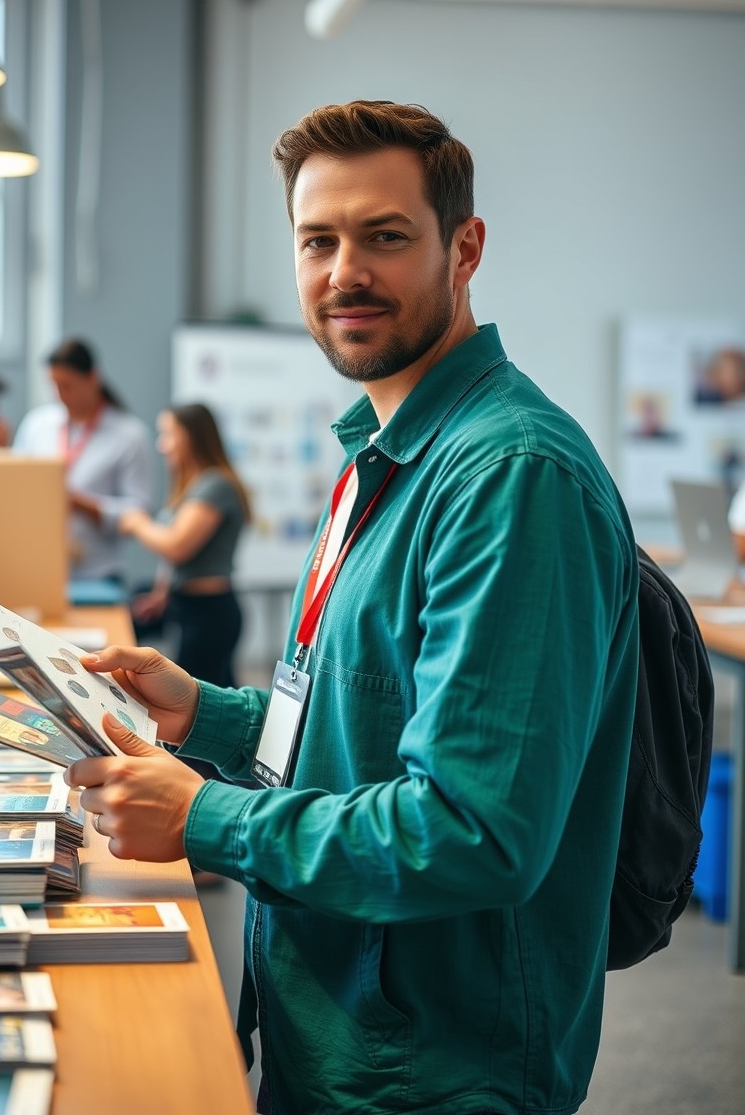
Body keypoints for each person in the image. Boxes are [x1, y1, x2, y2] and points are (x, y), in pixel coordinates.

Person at [64, 101, 640, 1115]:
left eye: (384, 237)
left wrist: (205, 815)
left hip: (427, 1065)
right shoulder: (375, 454)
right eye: (317, 240)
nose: (344, 273)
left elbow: (474, 829)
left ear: (464, 248)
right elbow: (355, 712)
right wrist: (206, 713)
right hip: (326, 1022)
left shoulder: (509, 477)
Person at [119, 403, 250, 688]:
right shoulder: (193, 487)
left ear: (190, 436)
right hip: (186, 605)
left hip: (210, 614)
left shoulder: (216, 485)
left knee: (201, 703)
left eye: (168, 435)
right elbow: (177, 559)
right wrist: (160, 593)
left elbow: (177, 546)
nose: (162, 445)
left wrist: (137, 522)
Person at [12, 338, 152, 583]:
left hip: (98, 572)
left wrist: (82, 505)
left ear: (92, 378)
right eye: (54, 385)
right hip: (35, 567)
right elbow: (12, 486)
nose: (59, 395)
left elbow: (138, 512)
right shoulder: (36, 425)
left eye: (67, 386)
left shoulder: (129, 434)